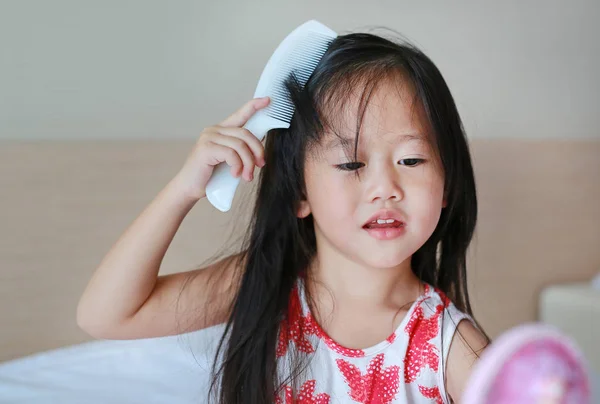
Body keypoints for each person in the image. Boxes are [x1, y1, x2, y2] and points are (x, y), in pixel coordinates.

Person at [77, 31, 490, 404]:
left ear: (447, 186)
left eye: (411, 159)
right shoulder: (262, 286)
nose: (385, 187)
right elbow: (107, 315)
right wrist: (186, 188)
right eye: (350, 163)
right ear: (298, 192)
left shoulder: (454, 347)